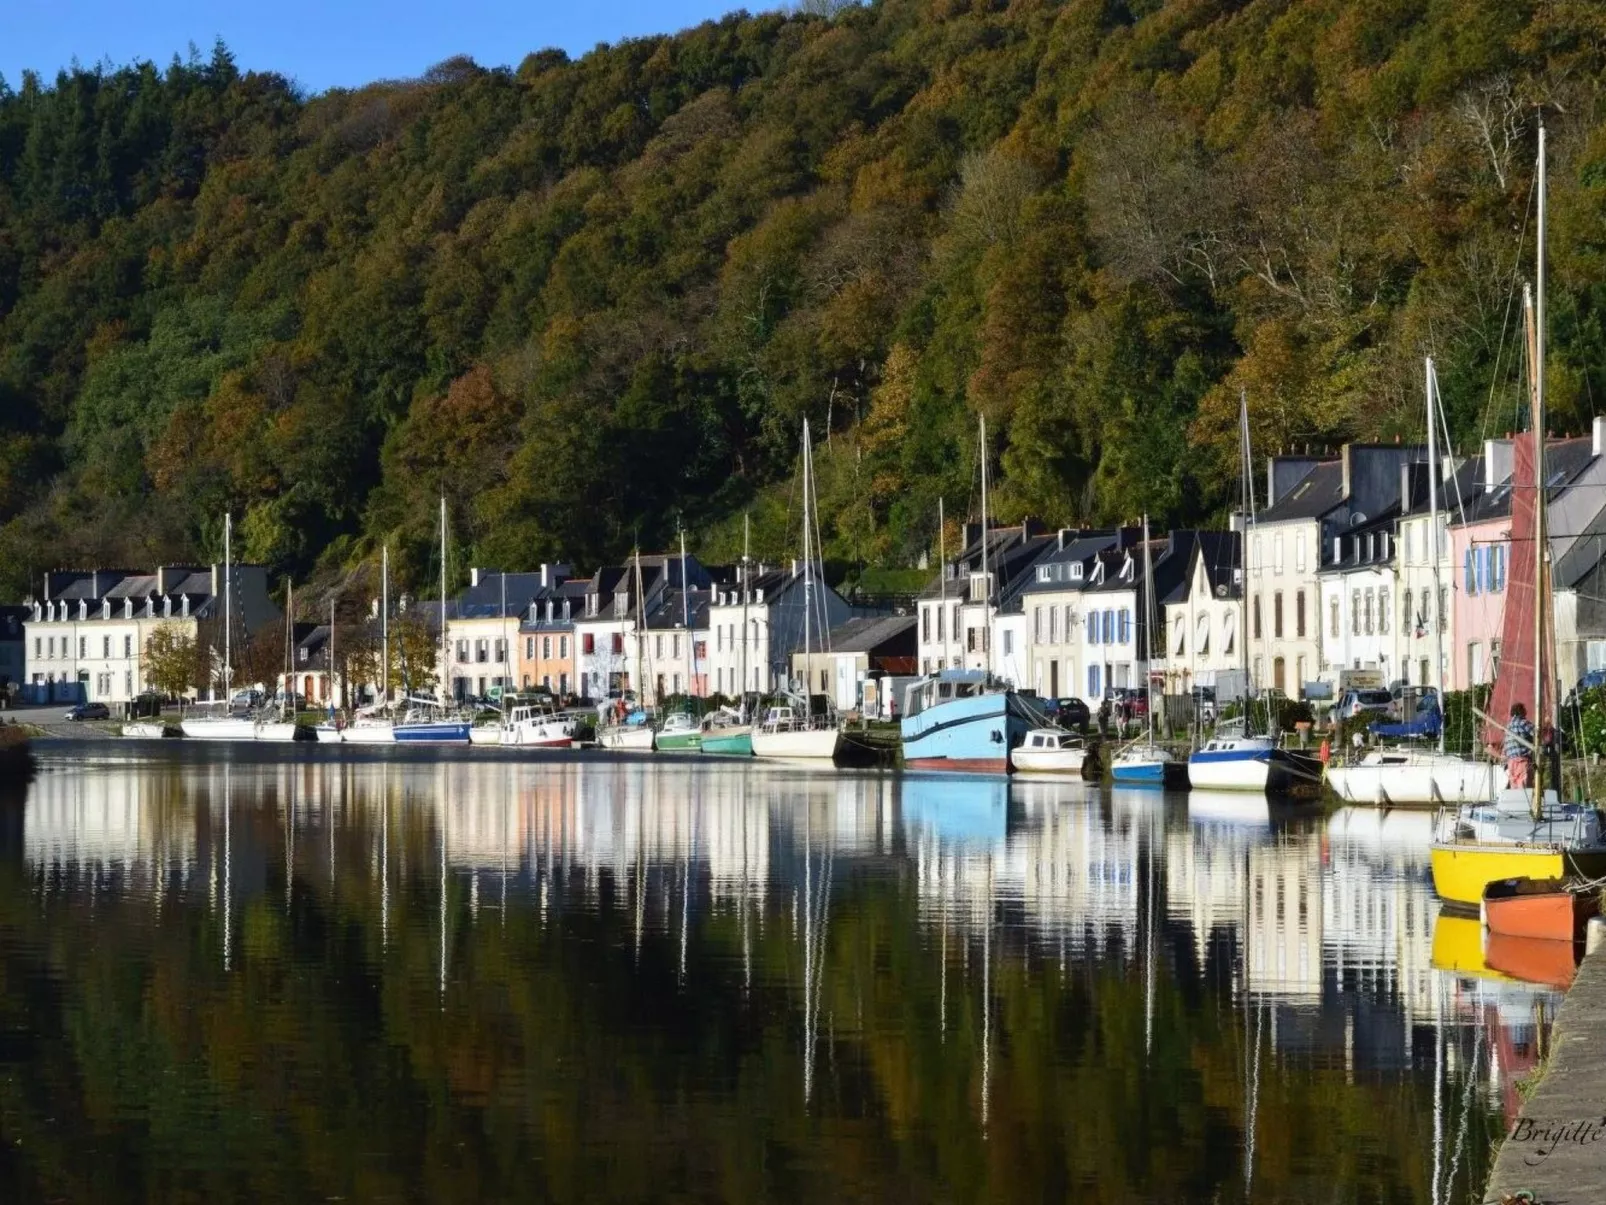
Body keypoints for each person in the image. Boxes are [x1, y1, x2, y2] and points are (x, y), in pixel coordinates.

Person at [1505, 702, 1535, 789]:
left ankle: (1516, 801)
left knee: (1514, 785)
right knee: (1524, 785)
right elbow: (1537, 734)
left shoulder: (1508, 726)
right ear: (1521, 711)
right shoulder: (1523, 723)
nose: (1526, 711)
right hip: (1522, 760)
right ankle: (1525, 802)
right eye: (1524, 709)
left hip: (1511, 761)